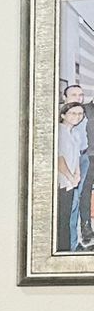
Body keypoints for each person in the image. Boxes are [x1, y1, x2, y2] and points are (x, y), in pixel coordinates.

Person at [59, 101, 87, 253]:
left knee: (67, 218)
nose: (77, 116)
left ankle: (68, 249)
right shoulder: (59, 132)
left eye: (80, 114)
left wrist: (77, 174)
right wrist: (70, 177)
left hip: (70, 182)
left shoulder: (74, 133)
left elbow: (76, 158)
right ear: (63, 115)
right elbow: (59, 159)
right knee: (61, 220)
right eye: (73, 113)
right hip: (62, 181)